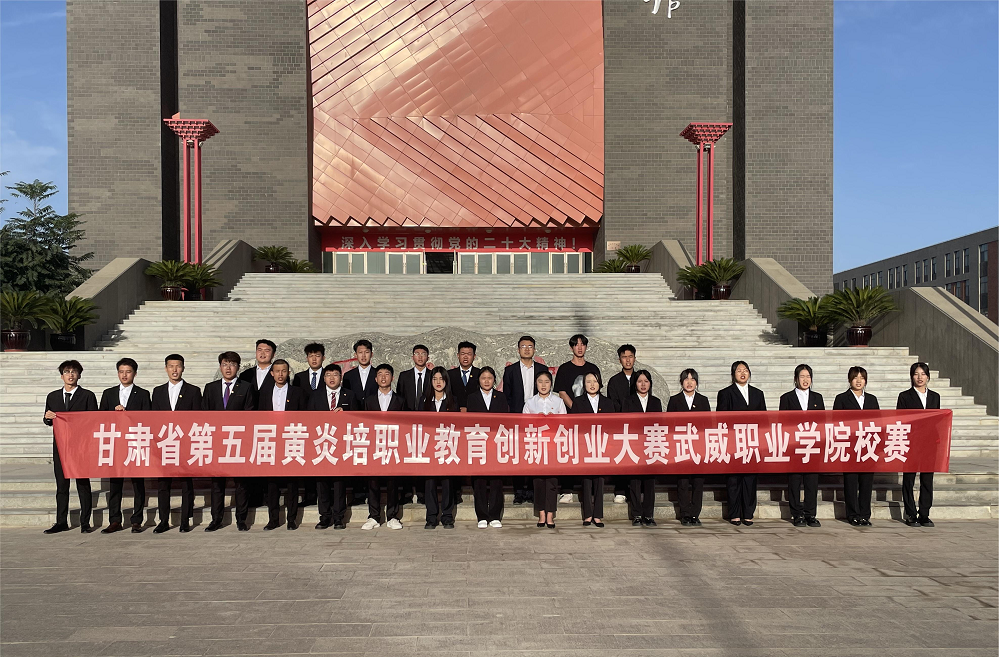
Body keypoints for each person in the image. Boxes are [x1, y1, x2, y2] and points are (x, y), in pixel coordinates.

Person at [42, 360, 99, 534]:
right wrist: (48, 417)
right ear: (62, 376)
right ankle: (61, 522)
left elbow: (94, 421)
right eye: (67, 371)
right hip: (60, 447)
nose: (70, 374)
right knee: (61, 485)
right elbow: (48, 420)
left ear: (79, 375)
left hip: (80, 448)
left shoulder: (87, 396)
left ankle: (85, 522)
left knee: (83, 484)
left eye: (74, 371)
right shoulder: (53, 396)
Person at [202, 351, 255, 531]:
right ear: (220, 367)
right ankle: (216, 519)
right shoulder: (210, 388)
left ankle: (241, 519)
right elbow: (204, 415)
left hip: (238, 442)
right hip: (217, 442)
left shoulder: (246, 387)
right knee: (217, 483)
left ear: (238, 367)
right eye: (225, 364)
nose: (228, 368)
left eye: (232, 364)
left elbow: (250, 414)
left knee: (241, 483)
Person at [98, 357, 152, 533]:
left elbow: (148, 418)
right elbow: (101, 418)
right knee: (115, 484)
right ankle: (115, 520)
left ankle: (137, 520)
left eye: (128, 371)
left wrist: (128, 414)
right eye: (121, 371)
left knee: (138, 483)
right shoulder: (108, 393)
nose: (124, 375)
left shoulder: (143, 394)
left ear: (135, 374)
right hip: (116, 444)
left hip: (136, 443)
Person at [151, 354, 202, 533]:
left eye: (178, 366)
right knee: (163, 484)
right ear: (166, 368)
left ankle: (185, 520)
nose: (174, 369)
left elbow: (198, 418)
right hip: (165, 444)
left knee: (186, 483)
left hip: (185, 443)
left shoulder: (193, 391)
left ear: (183, 368)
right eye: (171, 366)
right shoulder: (158, 391)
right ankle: (163, 520)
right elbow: (153, 418)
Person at [257, 359, 307, 530]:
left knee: (292, 482)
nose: (280, 374)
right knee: (272, 483)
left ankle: (292, 519)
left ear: (288, 373)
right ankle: (273, 519)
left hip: (292, 439)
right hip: (271, 440)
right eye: (277, 371)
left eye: (284, 371)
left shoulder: (297, 392)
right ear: (272, 373)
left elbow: (304, 417)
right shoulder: (264, 393)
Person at [717, 360, 766, 526]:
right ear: (733, 374)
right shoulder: (725, 393)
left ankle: (748, 513)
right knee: (734, 479)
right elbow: (721, 419)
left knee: (750, 479)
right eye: (739, 370)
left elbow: (763, 419)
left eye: (745, 370)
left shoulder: (758, 394)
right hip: (733, 443)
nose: (743, 373)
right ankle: (735, 513)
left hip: (752, 442)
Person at [308, 363, 356, 529]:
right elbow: (309, 420)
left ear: (340, 377)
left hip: (341, 445)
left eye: (335, 374)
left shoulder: (349, 395)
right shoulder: (316, 396)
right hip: (321, 444)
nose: (332, 378)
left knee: (339, 483)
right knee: (322, 483)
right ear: (324, 378)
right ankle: (324, 516)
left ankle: (338, 517)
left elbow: (358, 420)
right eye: (328, 375)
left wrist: (346, 414)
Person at [554, 334, 601, 503]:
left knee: (591, 452)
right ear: (571, 347)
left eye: (583, 344)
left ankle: (592, 490)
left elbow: (598, 389)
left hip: (591, 420)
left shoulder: (593, 368)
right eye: (576, 345)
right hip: (571, 418)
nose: (579, 348)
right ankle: (567, 490)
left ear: (586, 347)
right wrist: (576, 409)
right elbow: (561, 391)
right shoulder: (564, 368)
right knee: (570, 453)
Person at [502, 335, 548, 505]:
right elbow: (507, 396)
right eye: (523, 346)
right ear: (518, 349)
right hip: (517, 420)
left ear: (534, 349)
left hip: (538, 419)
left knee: (536, 454)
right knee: (519, 455)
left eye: (530, 346)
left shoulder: (542, 369)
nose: (527, 349)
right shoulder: (510, 371)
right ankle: (519, 491)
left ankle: (533, 490)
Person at [778, 364, 825, 528]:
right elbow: (782, 422)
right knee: (795, 480)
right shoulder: (787, 398)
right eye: (802, 376)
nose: (805, 380)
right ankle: (797, 514)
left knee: (812, 481)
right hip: (794, 445)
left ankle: (810, 514)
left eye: (808, 376)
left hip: (813, 444)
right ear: (796, 379)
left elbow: (822, 421)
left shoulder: (817, 398)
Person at [833, 366, 879, 527]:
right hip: (850, 446)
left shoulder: (872, 399)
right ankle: (852, 514)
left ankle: (865, 514)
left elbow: (878, 422)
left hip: (868, 446)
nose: (859, 381)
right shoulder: (841, 398)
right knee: (851, 482)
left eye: (862, 378)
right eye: (855, 377)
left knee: (866, 482)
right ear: (849, 380)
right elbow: (836, 422)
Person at [362, 364, 405, 530]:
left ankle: (392, 516)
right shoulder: (369, 400)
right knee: (373, 482)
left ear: (392, 378)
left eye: (387, 374)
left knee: (392, 482)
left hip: (393, 446)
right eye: (380, 374)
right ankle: (373, 516)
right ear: (375, 379)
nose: (383, 377)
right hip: (374, 446)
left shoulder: (400, 400)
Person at [666, 368, 711, 526]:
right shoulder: (675, 400)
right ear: (681, 382)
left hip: (698, 447)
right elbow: (669, 424)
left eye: (692, 379)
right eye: (686, 379)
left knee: (698, 482)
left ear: (696, 382)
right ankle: (685, 513)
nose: (689, 382)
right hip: (681, 446)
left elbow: (708, 425)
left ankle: (695, 514)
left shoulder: (703, 400)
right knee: (683, 482)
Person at [897, 362, 940, 528]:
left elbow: (937, 420)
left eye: (923, 374)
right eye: (916, 374)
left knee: (927, 479)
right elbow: (900, 420)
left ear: (928, 376)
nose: (920, 377)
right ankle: (910, 513)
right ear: (911, 376)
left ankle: (924, 514)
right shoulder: (904, 396)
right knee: (908, 479)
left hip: (929, 444)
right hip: (911, 443)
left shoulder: (935, 396)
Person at [522, 370, 566, 528]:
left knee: (552, 481)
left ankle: (550, 514)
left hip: (553, 446)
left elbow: (565, 424)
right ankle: (541, 513)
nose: (543, 385)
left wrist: (554, 420)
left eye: (546, 381)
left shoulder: (559, 401)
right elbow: (523, 425)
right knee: (539, 481)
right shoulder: (530, 402)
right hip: (537, 446)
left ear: (551, 384)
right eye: (540, 381)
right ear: (536, 384)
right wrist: (536, 420)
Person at [465, 367, 508, 528]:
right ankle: (482, 516)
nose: (487, 381)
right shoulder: (472, 397)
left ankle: (495, 515)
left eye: (490, 378)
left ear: (494, 380)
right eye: (483, 378)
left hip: (496, 443)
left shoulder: (501, 397)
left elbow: (505, 419)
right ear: (479, 380)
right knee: (479, 481)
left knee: (497, 480)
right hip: (478, 442)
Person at [570, 371, 613, 528]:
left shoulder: (607, 403)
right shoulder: (578, 402)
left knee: (600, 480)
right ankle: (588, 514)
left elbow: (612, 425)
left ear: (600, 383)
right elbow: (574, 424)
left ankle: (598, 515)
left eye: (595, 381)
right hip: (585, 445)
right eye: (588, 381)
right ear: (584, 385)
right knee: (586, 480)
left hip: (602, 445)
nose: (592, 384)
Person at [623, 370, 663, 526]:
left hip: (651, 444)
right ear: (635, 384)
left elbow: (660, 423)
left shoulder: (656, 402)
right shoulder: (628, 401)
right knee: (635, 481)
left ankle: (649, 515)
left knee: (649, 482)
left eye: (646, 381)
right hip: (634, 445)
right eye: (640, 381)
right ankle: (637, 514)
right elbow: (625, 423)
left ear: (650, 383)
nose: (643, 384)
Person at [422, 366, 458, 529]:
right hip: (429, 447)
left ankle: (447, 516)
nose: (438, 382)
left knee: (447, 482)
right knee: (429, 483)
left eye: (441, 379)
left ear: (446, 382)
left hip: (447, 446)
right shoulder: (424, 401)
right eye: (435, 379)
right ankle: (431, 517)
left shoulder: (453, 400)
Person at [343, 339, 376, 506]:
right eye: (360, 352)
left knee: (372, 457)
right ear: (355, 355)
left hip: (374, 423)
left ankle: (372, 493)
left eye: (366, 352)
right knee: (357, 456)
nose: (363, 356)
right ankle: (358, 493)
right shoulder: (349, 376)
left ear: (371, 354)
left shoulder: (378, 374)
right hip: (355, 423)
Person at [605, 344, 636, 504]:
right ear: (619, 360)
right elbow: (613, 403)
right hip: (620, 426)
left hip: (638, 427)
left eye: (630, 357)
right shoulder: (614, 381)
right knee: (622, 457)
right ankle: (621, 490)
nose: (627, 360)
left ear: (635, 359)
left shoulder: (641, 378)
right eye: (624, 357)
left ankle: (636, 491)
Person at [239, 338, 277, 405]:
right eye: (259, 350)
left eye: (267, 351)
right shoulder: (245, 374)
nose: (262, 353)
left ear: (273, 354)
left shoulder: (279, 374)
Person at [397, 344, 433, 412]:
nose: (420, 357)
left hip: (428, 413)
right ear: (412, 357)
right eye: (417, 354)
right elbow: (400, 396)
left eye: (423, 354)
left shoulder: (432, 375)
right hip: (408, 413)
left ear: (428, 358)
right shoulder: (404, 376)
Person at [448, 341, 481, 411]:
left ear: (474, 356)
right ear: (458, 355)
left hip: (475, 412)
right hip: (454, 413)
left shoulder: (480, 374)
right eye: (462, 354)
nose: (465, 357)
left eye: (469, 354)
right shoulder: (449, 374)